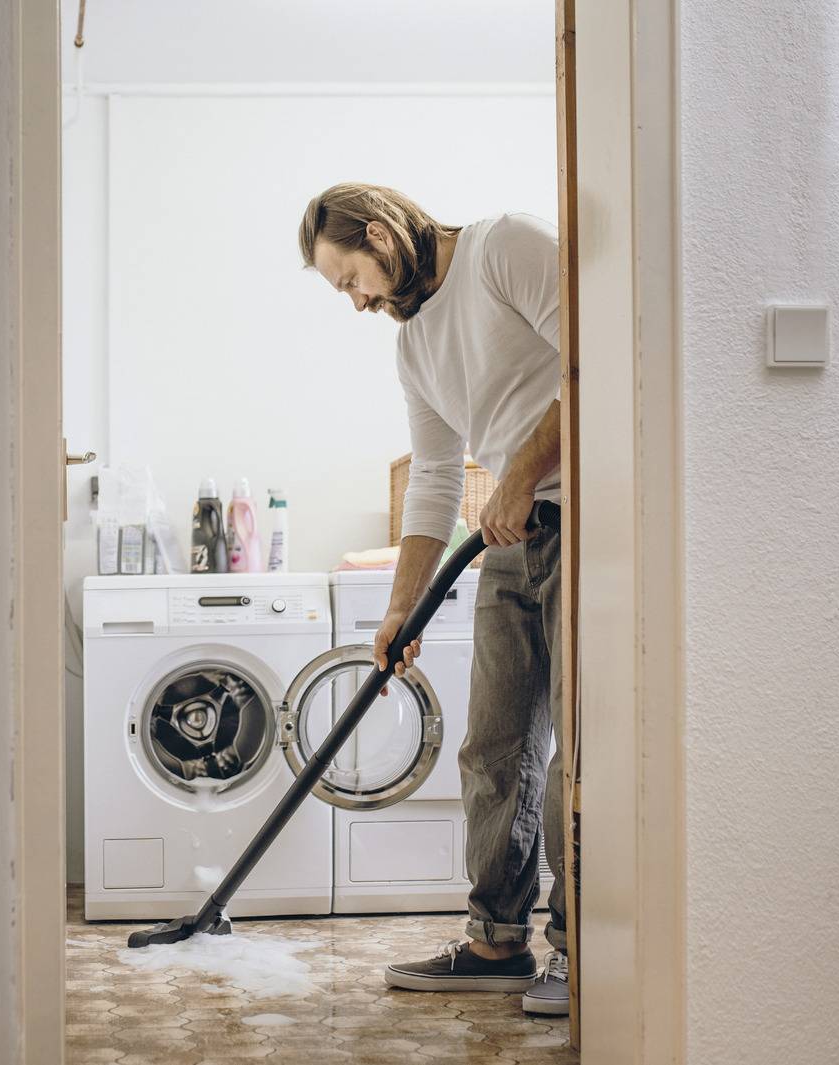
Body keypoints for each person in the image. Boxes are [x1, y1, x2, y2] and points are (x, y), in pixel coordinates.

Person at [298, 183, 569, 1017]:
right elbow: (436, 486)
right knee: (494, 748)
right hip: (505, 546)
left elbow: (598, 361)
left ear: (380, 236)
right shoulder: (415, 346)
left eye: (351, 279)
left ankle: (585, 952)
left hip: (587, 524)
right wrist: (397, 612)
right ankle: (497, 941)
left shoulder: (505, 248)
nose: (356, 302)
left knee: (584, 756)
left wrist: (521, 473)